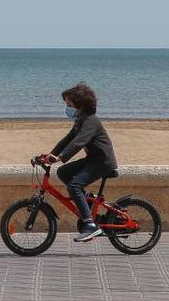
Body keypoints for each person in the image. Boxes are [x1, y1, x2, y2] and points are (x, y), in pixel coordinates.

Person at [43, 82, 117, 243]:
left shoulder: (90, 121)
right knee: (63, 172)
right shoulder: (80, 120)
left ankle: (90, 225)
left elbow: (79, 142)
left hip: (102, 162)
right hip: (93, 160)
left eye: (69, 104)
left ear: (80, 105)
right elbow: (68, 139)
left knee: (74, 186)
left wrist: (61, 158)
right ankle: (87, 199)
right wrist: (51, 154)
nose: (67, 108)